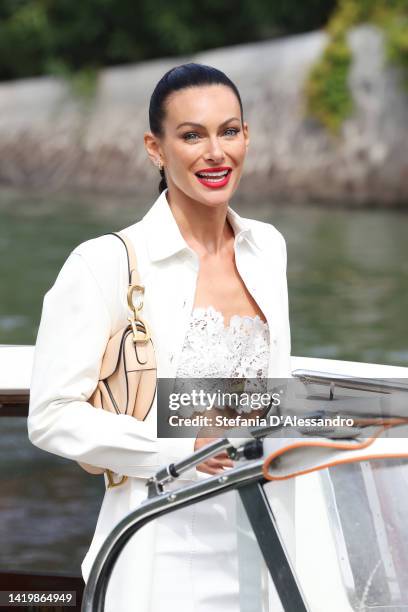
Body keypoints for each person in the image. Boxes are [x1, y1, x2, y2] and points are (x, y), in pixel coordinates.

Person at [27, 62, 291, 611]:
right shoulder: (103, 264)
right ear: (156, 147)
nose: (216, 153)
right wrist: (182, 446)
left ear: (247, 136)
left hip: (266, 535)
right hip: (157, 543)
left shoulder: (268, 249)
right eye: (192, 135)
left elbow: (274, 395)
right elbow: (51, 415)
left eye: (230, 130)